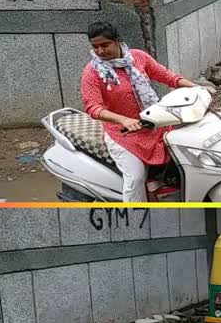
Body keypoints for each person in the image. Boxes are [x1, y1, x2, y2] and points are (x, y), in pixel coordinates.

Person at [80, 21, 197, 202]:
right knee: (135, 177)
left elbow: (167, 77)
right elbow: (93, 108)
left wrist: (197, 89)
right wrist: (123, 120)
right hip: (122, 132)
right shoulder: (93, 72)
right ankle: (134, 218)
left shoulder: (138, 57)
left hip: (154, 123)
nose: (100, 51)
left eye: (105, 45)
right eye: (95, 47)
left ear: (117, 41)